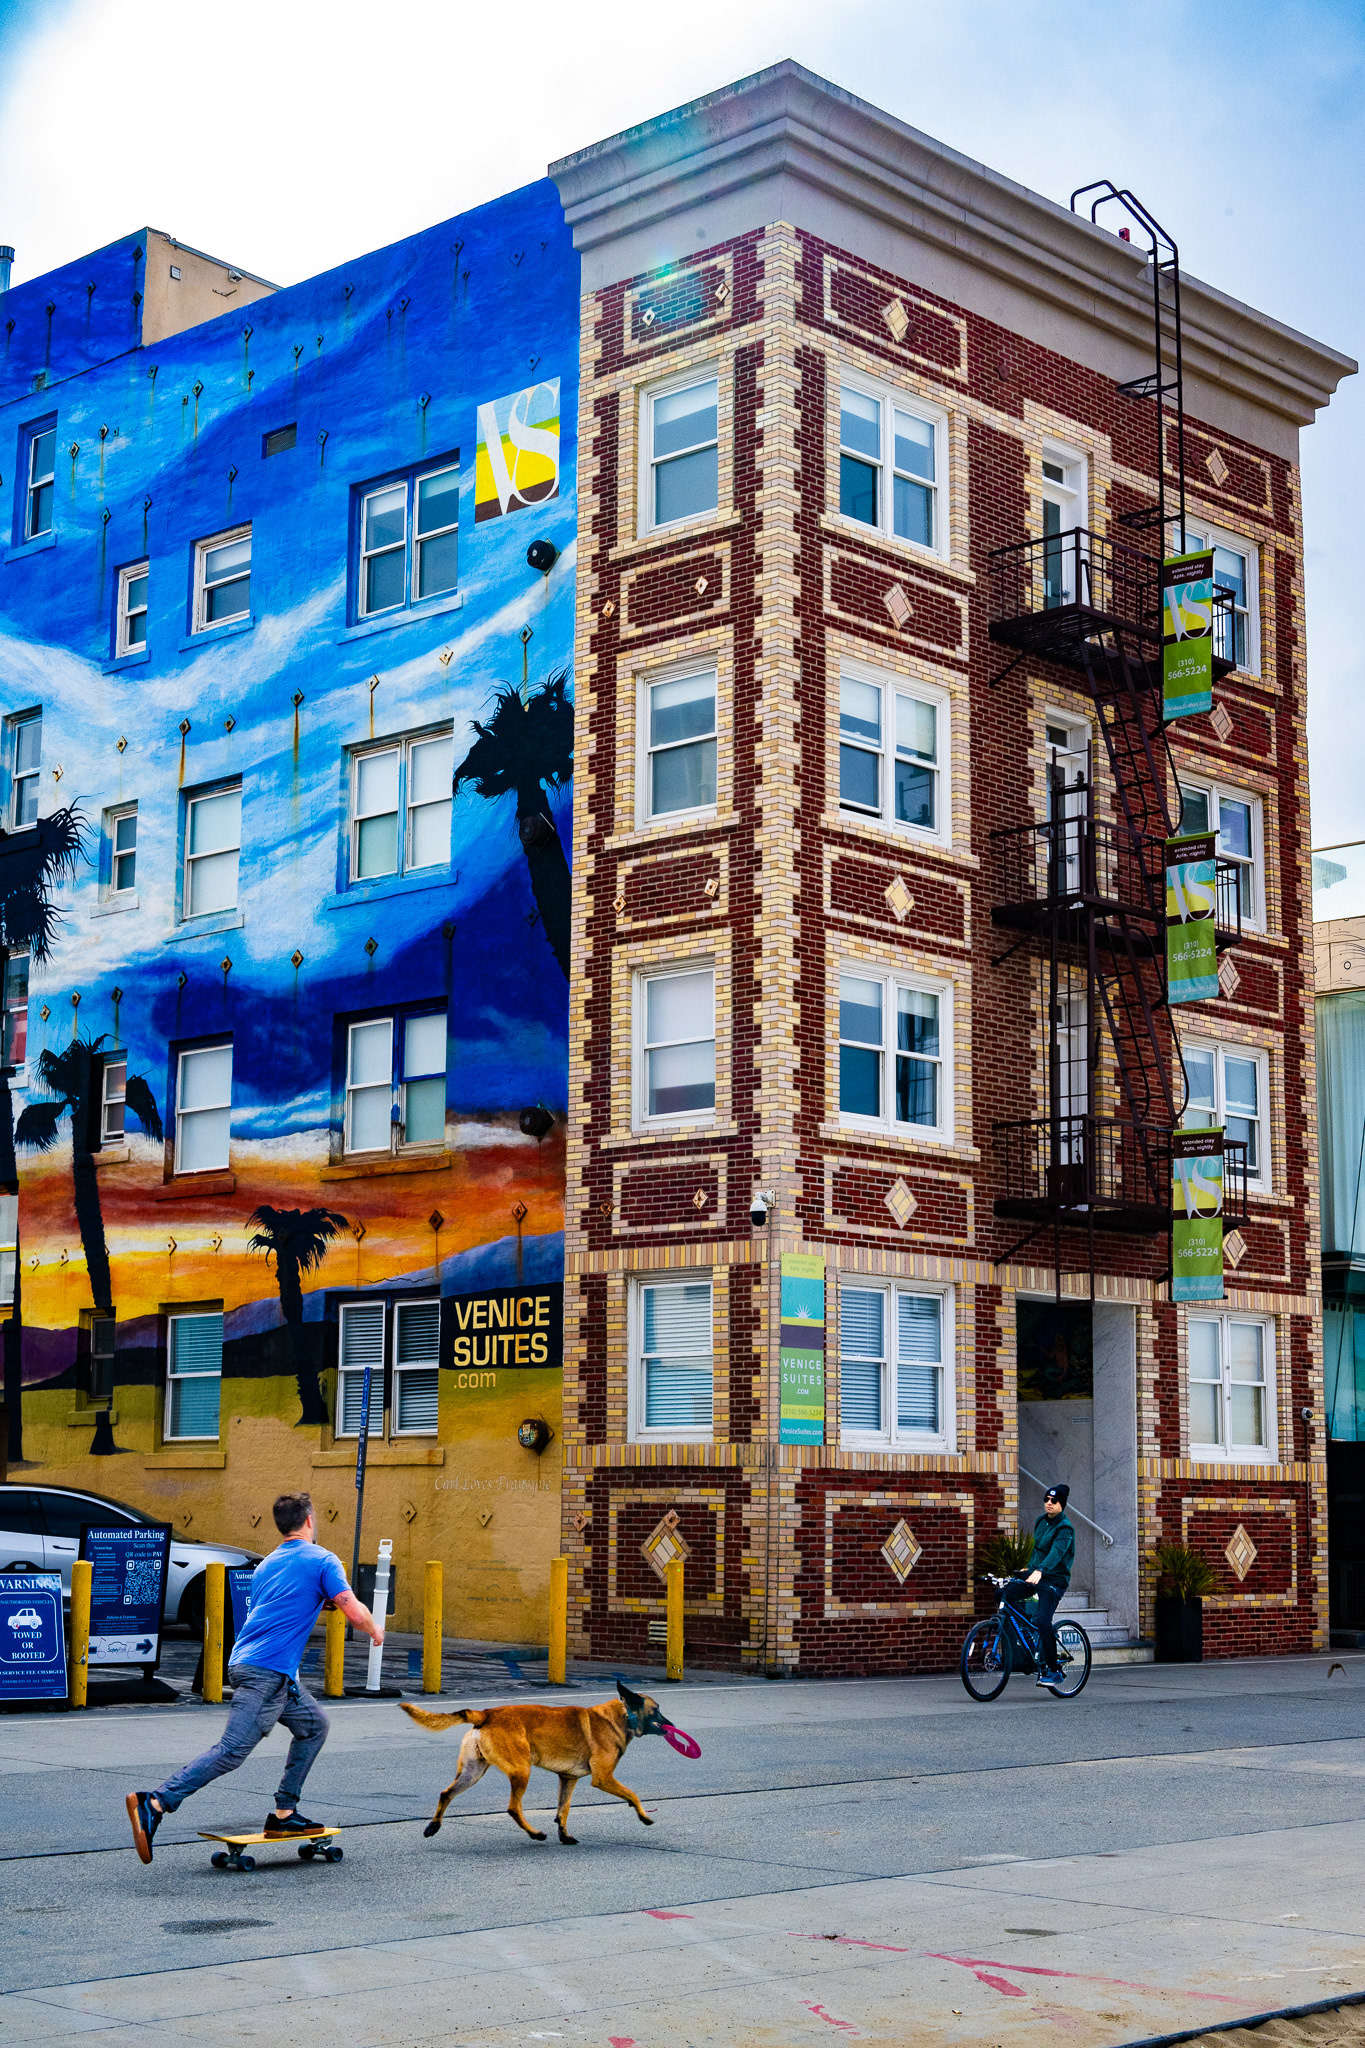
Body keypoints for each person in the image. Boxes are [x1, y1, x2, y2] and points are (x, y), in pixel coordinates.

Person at [126, 1491, 383, 1862]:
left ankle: (285, 1814)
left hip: (261, 1668)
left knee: (314, 1726)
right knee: (231, 1751)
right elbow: (353, 1613)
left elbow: (286, 1604)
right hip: (267, 1672)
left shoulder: (266, 1565)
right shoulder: (323, 1559)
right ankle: (157, 1802)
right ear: (310, 1520)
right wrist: (375, 1628)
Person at [1009, 1483, 1074, 1686]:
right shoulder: (1040, 1521)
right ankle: (1027, 1639)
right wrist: (1028, 1570)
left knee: (1044, 1621)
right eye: (1046, 1499)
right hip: (1036, 1574)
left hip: (1054, 1580)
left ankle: (1054, 1671)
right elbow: (1037, 1551)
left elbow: (1056, 1553)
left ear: (1061, 1504)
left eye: (1053, 1501)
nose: (1049, 1503)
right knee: (1004, 1594)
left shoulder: (1065, 1528)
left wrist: (1041, 1570)